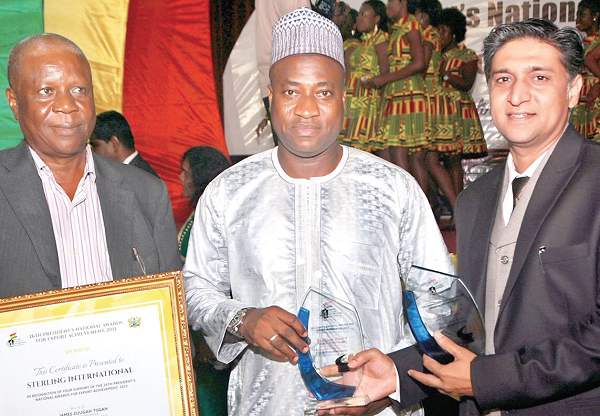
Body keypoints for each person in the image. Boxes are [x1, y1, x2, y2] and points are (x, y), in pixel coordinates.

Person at [321, 19, 600, 416]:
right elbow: (470, 327)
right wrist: (397, 373)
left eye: (539, 77)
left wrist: (488, 379)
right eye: (503, 79)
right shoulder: (474, 200)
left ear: (573, 90)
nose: (518, 95)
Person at [183, 7, 453, 416]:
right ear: (270, 97)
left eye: (323, 92)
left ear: (344, 98)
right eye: (291, 91)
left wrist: (389, 384)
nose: (307, 109)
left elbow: (439, 298)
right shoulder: (229, 192)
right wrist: (242, 318)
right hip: (268, 403)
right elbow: (196, 287)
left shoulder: (392, 188)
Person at [0, 34, 181, 298]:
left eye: (79, 90)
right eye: (46, 91)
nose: (67, 105)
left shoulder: (147, 193)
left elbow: (170, 310)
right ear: (14, 103)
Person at [178, 147, 231, 416]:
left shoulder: (213, 212)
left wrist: (204, 338)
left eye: (185, 173)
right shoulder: (198, 209)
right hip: (196, 327)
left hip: (210, 332)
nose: (180, 178)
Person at [368, 0, 428, 189]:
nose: (387, 7)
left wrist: (385, 79)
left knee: (399, 152)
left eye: (390, 2)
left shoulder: (411, 24)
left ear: (403, 2)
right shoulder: (397, 28)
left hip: (408, 91)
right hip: (396, 91)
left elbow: (419, 63)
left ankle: (413, 208)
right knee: (390, 153)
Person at [438, 8, 486, 196]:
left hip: (456, 111)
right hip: (437, 110)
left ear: (454, 32)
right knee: (431, 160)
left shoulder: (467, 55)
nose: (440, 34)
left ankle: (458, 206)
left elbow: (467, 83)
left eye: (444, 30)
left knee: (453, 159)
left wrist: (446, 76)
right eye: (438, 30)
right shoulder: (433, 54)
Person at [415, 0, 457, 214]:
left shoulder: (428, 34)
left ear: (424, 15)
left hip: (428, 97)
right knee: (430, 161)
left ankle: (428, 208)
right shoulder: (430, 33)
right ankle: (448, 207)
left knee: (419, 157)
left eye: (418, 14)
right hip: (429, 96)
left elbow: (421, 67)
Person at [255, 0, 311, 143]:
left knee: (285, 147)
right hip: (292, 79)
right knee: (299, 148)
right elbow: (302, 40)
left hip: (270, 76)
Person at [338, 0, 390, 153]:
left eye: (364, 14)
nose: (359, 18)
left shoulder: (382, 40)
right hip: (352, 102)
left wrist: (380, 112)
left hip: (368, 105)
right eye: (359, 14)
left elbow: (385, 76)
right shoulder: (361, 43)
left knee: (366, 155)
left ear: (377, 18)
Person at [89, 110, 159, 177]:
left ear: (114, 143)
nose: (91, 151)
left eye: (95, 145)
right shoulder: (131, 171)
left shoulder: (141, 178)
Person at [571, 0, 600, 141]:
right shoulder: (584, 42)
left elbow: (589, 61)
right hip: (582, 97)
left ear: (595, 16)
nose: (577, 19)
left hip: (595, 98)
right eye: (577, 14)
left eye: (582, 14)